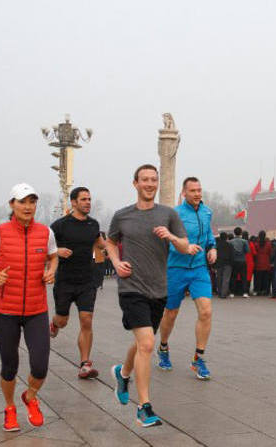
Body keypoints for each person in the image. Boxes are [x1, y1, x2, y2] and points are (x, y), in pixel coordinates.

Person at [106, 164, 195, 428]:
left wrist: (170, 236)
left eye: (153, 180)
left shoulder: (168, 214)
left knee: (143, 342)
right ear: (135, 183)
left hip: (159, 288)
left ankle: (123, 374)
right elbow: (109, 241)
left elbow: (184, 244)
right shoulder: (122, 216)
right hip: (131, 287)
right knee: (146, 344)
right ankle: (144, 407)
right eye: (144, 180)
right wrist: (116, 261)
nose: (149, 184)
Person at [0, 183, 58, 432]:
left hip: (37, 308)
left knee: (40, 364)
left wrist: (51, 271)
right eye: (22, 201)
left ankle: (30, 396)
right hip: (6, 310)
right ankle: (10, 408)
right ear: (12, 204)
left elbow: (53, 256)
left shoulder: (45, 232)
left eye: (32, 202)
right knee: (9, 365)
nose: (28, 207)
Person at [157, 177, 217, 380]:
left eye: (200, 190)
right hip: (176, 268)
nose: (198, 194)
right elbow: (167, 240)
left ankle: (198, 359)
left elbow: (208, 234)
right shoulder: (175, 214)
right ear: (184, 193)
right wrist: (184, 247)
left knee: (206, 312)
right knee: (171, 313)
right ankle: (163, 347)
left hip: (199, 269)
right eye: (193, 191)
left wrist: (212, 248)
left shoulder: (207, 212)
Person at [48, 187, 105, 379]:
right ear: (73, 202)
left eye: (89, 199)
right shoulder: (59, 226)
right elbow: (44, 248)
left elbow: (100, 244)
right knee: (62, 320)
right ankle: (54, 324)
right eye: (83, 199)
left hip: (87, 281)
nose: (88, 202)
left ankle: (85, 364)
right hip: (64, 281)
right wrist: (58, 251)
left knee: (86, 319)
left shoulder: (93, 225)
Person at [229, 227, 250, 298]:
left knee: (233, 277)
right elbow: (248, 251)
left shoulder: (230, 241)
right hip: (242, 261)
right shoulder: (244, 241)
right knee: (244, 277)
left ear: (234, 233)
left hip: (234, 261)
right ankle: (245, 292)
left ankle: (232, 292)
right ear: (241, 233)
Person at [253, 231, 272, 296]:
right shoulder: (268, 244)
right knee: (265, 278)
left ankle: (257, 290)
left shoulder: (256, 244)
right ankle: (264, 290)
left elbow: (254, 254)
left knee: (258, 278)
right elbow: (270, 253)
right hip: (266, 263)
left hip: (258, 263)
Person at [215, 231, 234, 299]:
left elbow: (215, 255)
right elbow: (232, 255)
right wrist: (232, 264)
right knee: (226, 279)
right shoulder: (230, 245)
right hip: (227, 264)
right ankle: (223, 294)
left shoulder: (217, 245)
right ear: (226, 237)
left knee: (219, 279)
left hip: (219, 263)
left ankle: (219, 292)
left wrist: (214, 265)